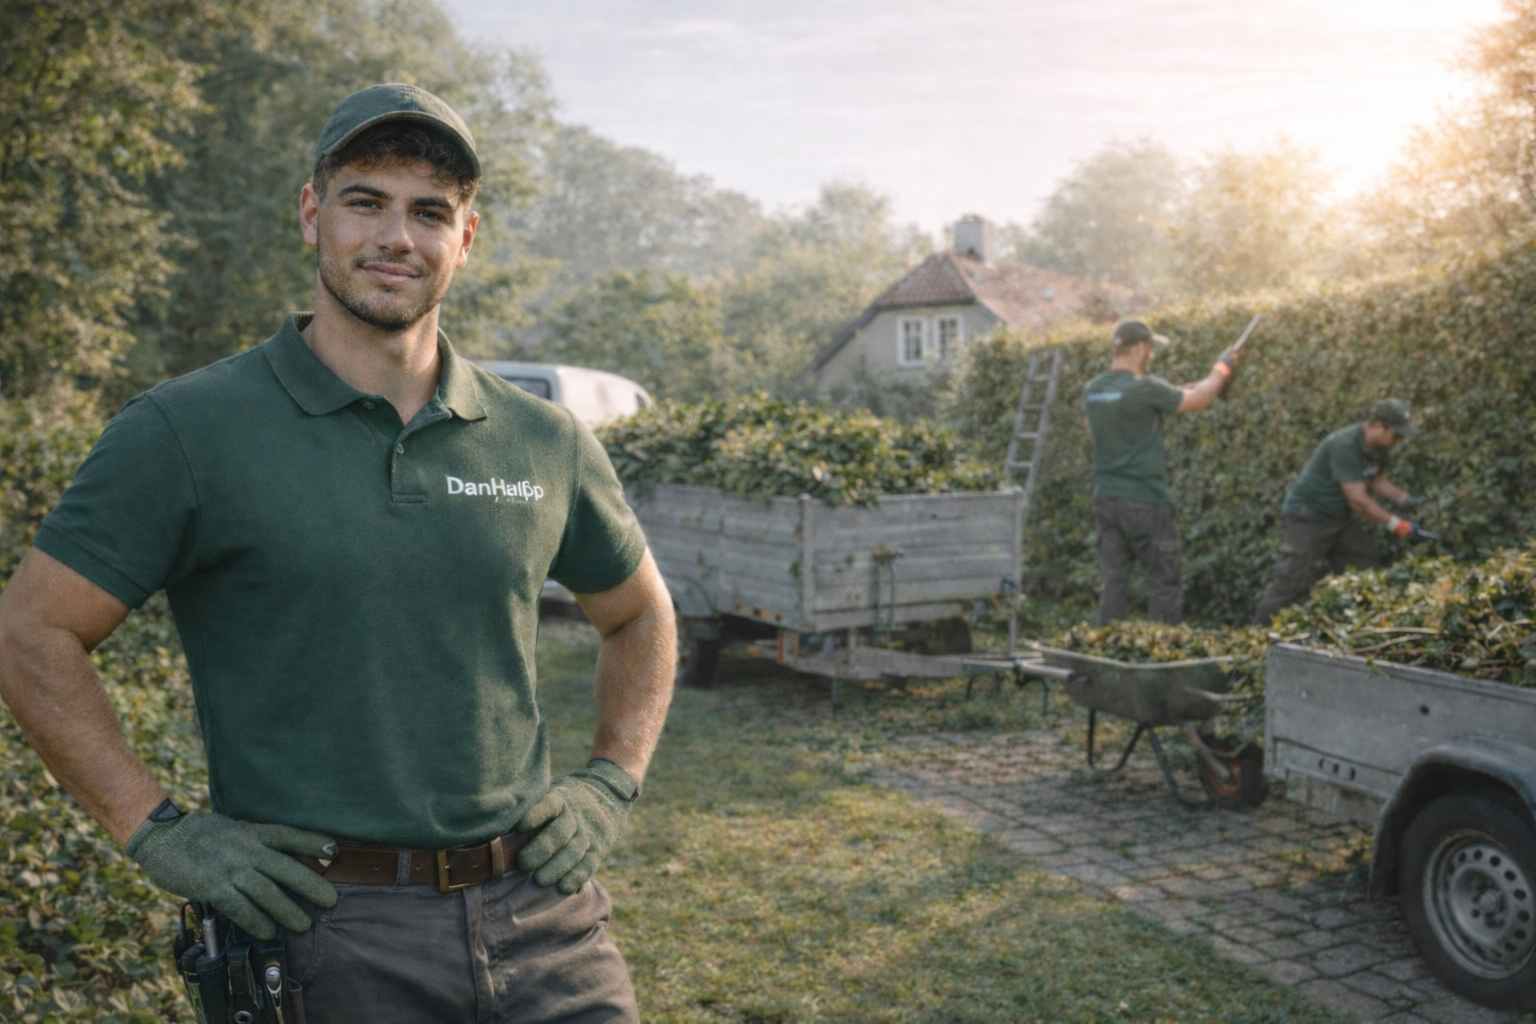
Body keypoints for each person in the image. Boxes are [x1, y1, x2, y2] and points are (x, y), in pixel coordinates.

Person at [0, 83, 676, 1023]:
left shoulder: (544, 441)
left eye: (429, 212)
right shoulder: (186, 431)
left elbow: (639, 614)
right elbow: (31, 632)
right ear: (312, 214)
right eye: (366, 201)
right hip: (321, 930)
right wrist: (156, 831)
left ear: (466, 239)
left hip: (545, 922)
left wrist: (610, 780)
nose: (397, 237)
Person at [1084, 319, 1240, 624]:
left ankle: (1105, 643)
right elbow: (1200, 399)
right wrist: (1222, 367)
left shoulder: (1094, 389)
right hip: (1146, 500)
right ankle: (1162, 648)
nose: (1152, 354)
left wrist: (1180, 389)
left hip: (1107, 499)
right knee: (1163, 581)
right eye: (1150, 348)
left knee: (1114, 580)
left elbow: (1116, 413)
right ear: (1140, 348)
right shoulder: (1144, 388)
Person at [1252, 398, 1432, 624]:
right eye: (1396, 435)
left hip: (1336, 518)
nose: (1399, 441)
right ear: (1378, 426)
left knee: (1364, 559)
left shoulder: (1377, 447)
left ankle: (1349, 623)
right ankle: (1258, 635)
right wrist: (1398, 525)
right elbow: (1358, 500)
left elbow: (1374, 479)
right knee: (1290, 579)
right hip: (1306, 517)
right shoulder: (1345, 445)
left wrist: (1402, 498)